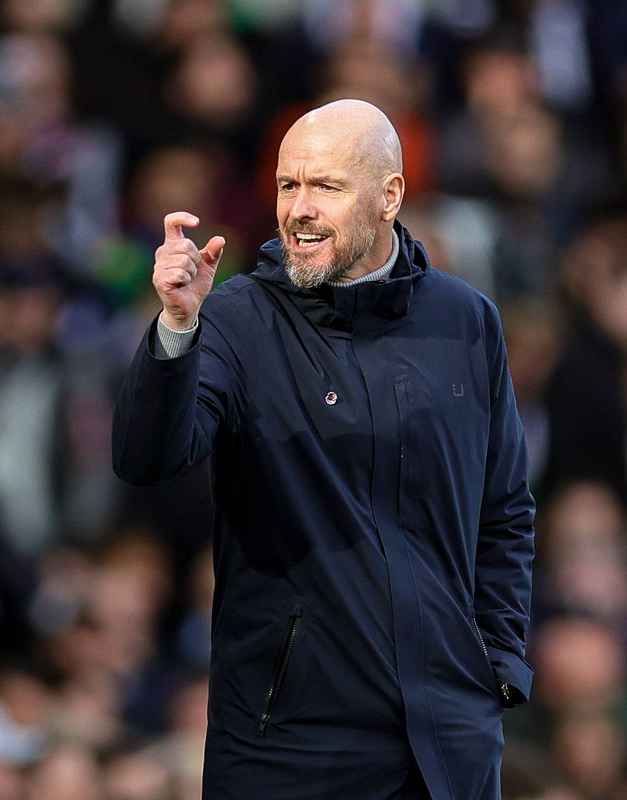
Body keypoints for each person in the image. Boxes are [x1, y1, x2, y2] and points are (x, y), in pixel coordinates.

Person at [112, 100, 534, 799]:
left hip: (449, 739)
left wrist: (495, 667)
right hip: (289, 744)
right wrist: (177, 328)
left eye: (326, 187)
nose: (299, 208)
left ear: (389, 196)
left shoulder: (467, 321)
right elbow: (147, 459)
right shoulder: (236, 319)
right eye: (287, 185)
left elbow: (506, 507)